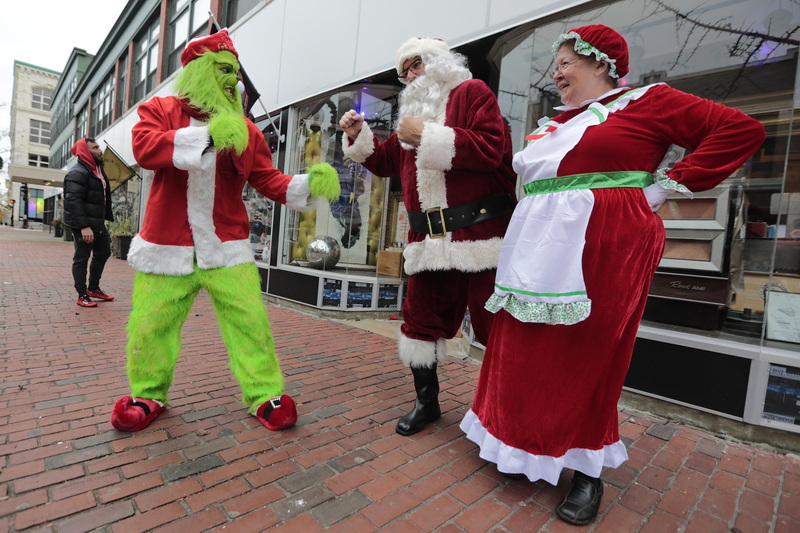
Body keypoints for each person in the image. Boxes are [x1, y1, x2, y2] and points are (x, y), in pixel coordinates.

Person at [459, 25, 766, 525]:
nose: (555, 73)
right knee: (524, 343)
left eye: (565, 63)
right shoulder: (553, 123)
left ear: (599, 63)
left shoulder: (648, 102)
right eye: (554, 65)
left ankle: (586, 470)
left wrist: (666, 186)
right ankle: (522, 445)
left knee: (589, 351)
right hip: (537, 244)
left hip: (604, 242)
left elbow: (740, 130)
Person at [110, 30, 340, 433]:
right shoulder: (160, 109)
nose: (232, 79)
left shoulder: (247, 131)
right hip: (166, 246)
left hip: (227, 249)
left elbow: (269, 180)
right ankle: (147, 392)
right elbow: (144, 149)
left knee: (250, 322)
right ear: (198, 70)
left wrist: (309, 183)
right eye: (223, 69)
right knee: (151, 325)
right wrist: (207, 138)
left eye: (235, 72)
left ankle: (264, 393)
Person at [339, 37, 517, 436]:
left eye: (416, 64)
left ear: (439, 61)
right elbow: (384, 162)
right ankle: (427, 402)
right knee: (419, 323)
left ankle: (505, 410)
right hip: (428, 243)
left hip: (479, 238)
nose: (411, 76)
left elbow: (492, 147)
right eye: (405, 72)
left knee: (496, 327)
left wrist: (429, 137)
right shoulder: (412, 117)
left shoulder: (472, 93)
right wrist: (357, 135)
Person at [63, 137, 115, 308]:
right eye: (95, 148)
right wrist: (84, 226)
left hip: (97, 222)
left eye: (99, 147)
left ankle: (93, 288)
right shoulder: (78, 173)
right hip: (84, 224)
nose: (100, 150)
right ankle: (82, 294)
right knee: (81, 258)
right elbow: (73, 201)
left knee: (104, 252)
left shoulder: (97, 170)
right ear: (86, 152)